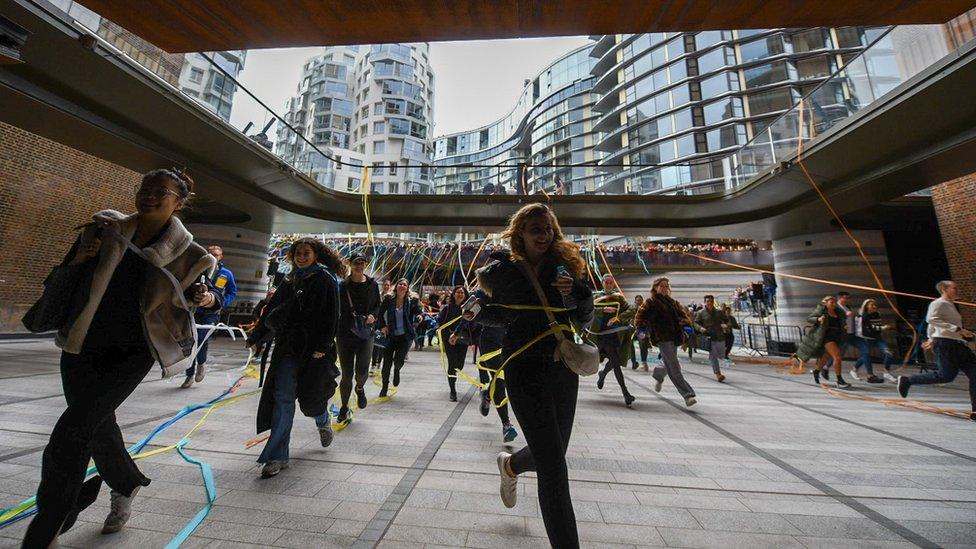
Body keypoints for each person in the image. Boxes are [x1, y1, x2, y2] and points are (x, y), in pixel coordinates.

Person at [22, 169, 223, 547]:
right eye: (144, 190)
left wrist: (206, 298)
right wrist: (80, 257)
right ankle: (127, 483)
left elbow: (210, 297)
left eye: (160, 192)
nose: (148, 196)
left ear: (178, 202)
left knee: (73, 430)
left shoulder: (192, 253)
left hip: (132, 353)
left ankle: (46, 529)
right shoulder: (101, 229)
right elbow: (64, 277)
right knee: (94, 424)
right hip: (82, 344)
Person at [468, 203, 593, 548]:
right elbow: (497, 316)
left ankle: (510, 466)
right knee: (553, 466)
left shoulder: (566, 267)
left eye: (548, 229)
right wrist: (475, 311)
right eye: (536, 228)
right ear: (520, 232)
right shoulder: (501, 269)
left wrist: (578, 293)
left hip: (562, 366)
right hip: (523, 367)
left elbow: (585, 316)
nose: (543, 234)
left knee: (552, 453)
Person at [245, 237, 343, 478]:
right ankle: (277, 456)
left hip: (315, 352)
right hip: (288, 349)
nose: (301, 256)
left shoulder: (326, 278)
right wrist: (257, 335)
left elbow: (332, 314)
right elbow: (273, 309)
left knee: (311, 401)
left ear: (315, 254)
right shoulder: (290, 279)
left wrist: (323, 344)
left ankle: (322, 420)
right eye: (298, 253)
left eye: (306, 252)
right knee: (283, 399)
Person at [898, 281, 976, 421]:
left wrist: (960, 332)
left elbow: (935, 324)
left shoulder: (950, 304)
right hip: (946, 345)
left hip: (958, 344)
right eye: (954, 287)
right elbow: (931, 319)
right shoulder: (938, 303)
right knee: (946, 376)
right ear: (944, 289)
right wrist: (951, 331)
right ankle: (908, 380)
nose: (957, 289)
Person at [634, 277, 697, 407]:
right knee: (674, 366)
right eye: (661, 286)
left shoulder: (673, 302)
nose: (664, 288)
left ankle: (658, 375)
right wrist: (641, 330)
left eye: (666, 286)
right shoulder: (650, 302)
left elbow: (682, 316)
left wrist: (687, 327)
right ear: (655, 288)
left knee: (668, 362)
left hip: (675, 337)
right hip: (662, 337)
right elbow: (640, 317)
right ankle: (687, 395)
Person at [181, 244, 237, 388]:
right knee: (191, 340)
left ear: (221, 257)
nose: (213, 257)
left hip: (211, 313)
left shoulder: (226, 274)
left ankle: (201, 363)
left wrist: (222, 303)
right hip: (195, 311)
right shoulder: (199, 270)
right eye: (210, 254)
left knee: (202, 338)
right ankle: (189, 374)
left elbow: (232, 292)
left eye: (216, 255)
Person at [335, 253, 381, 423]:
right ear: (350, 264)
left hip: (365, 334)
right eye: (356, 263)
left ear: (365, 264)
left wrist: (373, 316)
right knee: (346, 374)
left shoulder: (372, 285)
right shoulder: (343, 286)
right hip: (345, 333)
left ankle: (360, 388)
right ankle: (344, 407)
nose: (359, 266)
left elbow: (378, 305)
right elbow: (336, 308)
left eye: (362, 263)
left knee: (362, 371)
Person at [471, 308, 519, 442]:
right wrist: (457, 332)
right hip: (491, 341)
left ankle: (487, 395)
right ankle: (506, 425)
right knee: (499, 379)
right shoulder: (487, 290)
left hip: (514, 340)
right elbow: (470, 312)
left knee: (506, 378)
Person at [592, 274, 636, 406]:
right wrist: (603, 309)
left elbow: (632, 309)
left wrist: (618, 318)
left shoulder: (618, 298)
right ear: (603, 283)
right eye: (607, 282)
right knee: (614, 361)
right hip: (599, 334)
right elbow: (588, 310)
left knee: (615, 361)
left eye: (611, 283)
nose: (609, 284)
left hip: (613, 334)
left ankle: (605, 376)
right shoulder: (596, 297)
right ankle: (625, 393)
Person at [376, 278, 422, 397]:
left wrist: (419, 316)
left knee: (399, 361)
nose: (402, 286)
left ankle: (397, 370)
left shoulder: (412, 300)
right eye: (400, 284)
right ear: (396, 286)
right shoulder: (388, 299)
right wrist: (382, 327)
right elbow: (379, 314)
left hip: (405, 337)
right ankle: (384, 387)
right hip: (390, 336)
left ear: (407, 288)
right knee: (386, 363)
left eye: (404, 285)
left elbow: (419, 312)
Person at [796, 296, 852, 388]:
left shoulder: (839, 312)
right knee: (837, 357)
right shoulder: (821, 311)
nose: (834, 304)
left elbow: (842, 323)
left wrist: (844, 327)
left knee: (825, 357)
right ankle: (839, 380)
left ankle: (816, 371)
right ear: (825, 303)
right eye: (831, 302)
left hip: (836, 337)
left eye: (835, 302)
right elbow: (809, 318)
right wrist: (818, 319)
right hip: (826, 337)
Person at [439, 285, 472, 401]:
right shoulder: (447, 308)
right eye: (457, 292)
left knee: (460, 365)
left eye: (462, 292)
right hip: (449, 340)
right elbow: (440, 323)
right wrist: (445, 336)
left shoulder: (468, 309)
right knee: (452, 364)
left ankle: (453, 380)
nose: (460, 294)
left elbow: (472, 324)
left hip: (463, 340)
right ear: (453, 294)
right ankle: (453, 391)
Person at [850, 299, 896, 383]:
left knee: (889, 353)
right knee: (865, 356)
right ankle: (855, 370)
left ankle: (886, 372)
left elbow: (876, 327)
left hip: (878, 339)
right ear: (866, 306)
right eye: (872, 305)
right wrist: (883, 327)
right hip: (867, 339)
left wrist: (885, 328)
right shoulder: (863, 316)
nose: (874, 306)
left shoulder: (877, 314)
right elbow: (868, 329)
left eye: (875, 305)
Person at [693, 295, 729, 382]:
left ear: (713, 302)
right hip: (709, 336)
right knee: (713, 355)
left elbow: (727, 320)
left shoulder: (719, 312)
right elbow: (695, 323)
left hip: (719, 336)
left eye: (711, 301)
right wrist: (700, 328)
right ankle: (718, 374)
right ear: (705, 302)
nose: (709, 303)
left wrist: (726, 325)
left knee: (721, 355)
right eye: (707, 301)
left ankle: (713, 359)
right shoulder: (701, 313)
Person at [371, 278, 393, 373]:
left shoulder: (392, 297)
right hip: (377, 321)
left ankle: (379, 362)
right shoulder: (378, 295)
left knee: (382, 344)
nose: (386, 286)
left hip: (386, 322)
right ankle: (373, 364)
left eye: (388, 285)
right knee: (375, 343)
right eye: (385, 285)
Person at [631, 295, 649, 370]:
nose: (639, 302)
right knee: (629, 342)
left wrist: (646, 332)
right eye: (637, 300)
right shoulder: (632, 309)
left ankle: (644, 362)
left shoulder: (646, 310)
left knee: (643, 343)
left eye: (640, 300)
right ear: (635, 301)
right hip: (633, 330)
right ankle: (634, 362)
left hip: (642, 330)